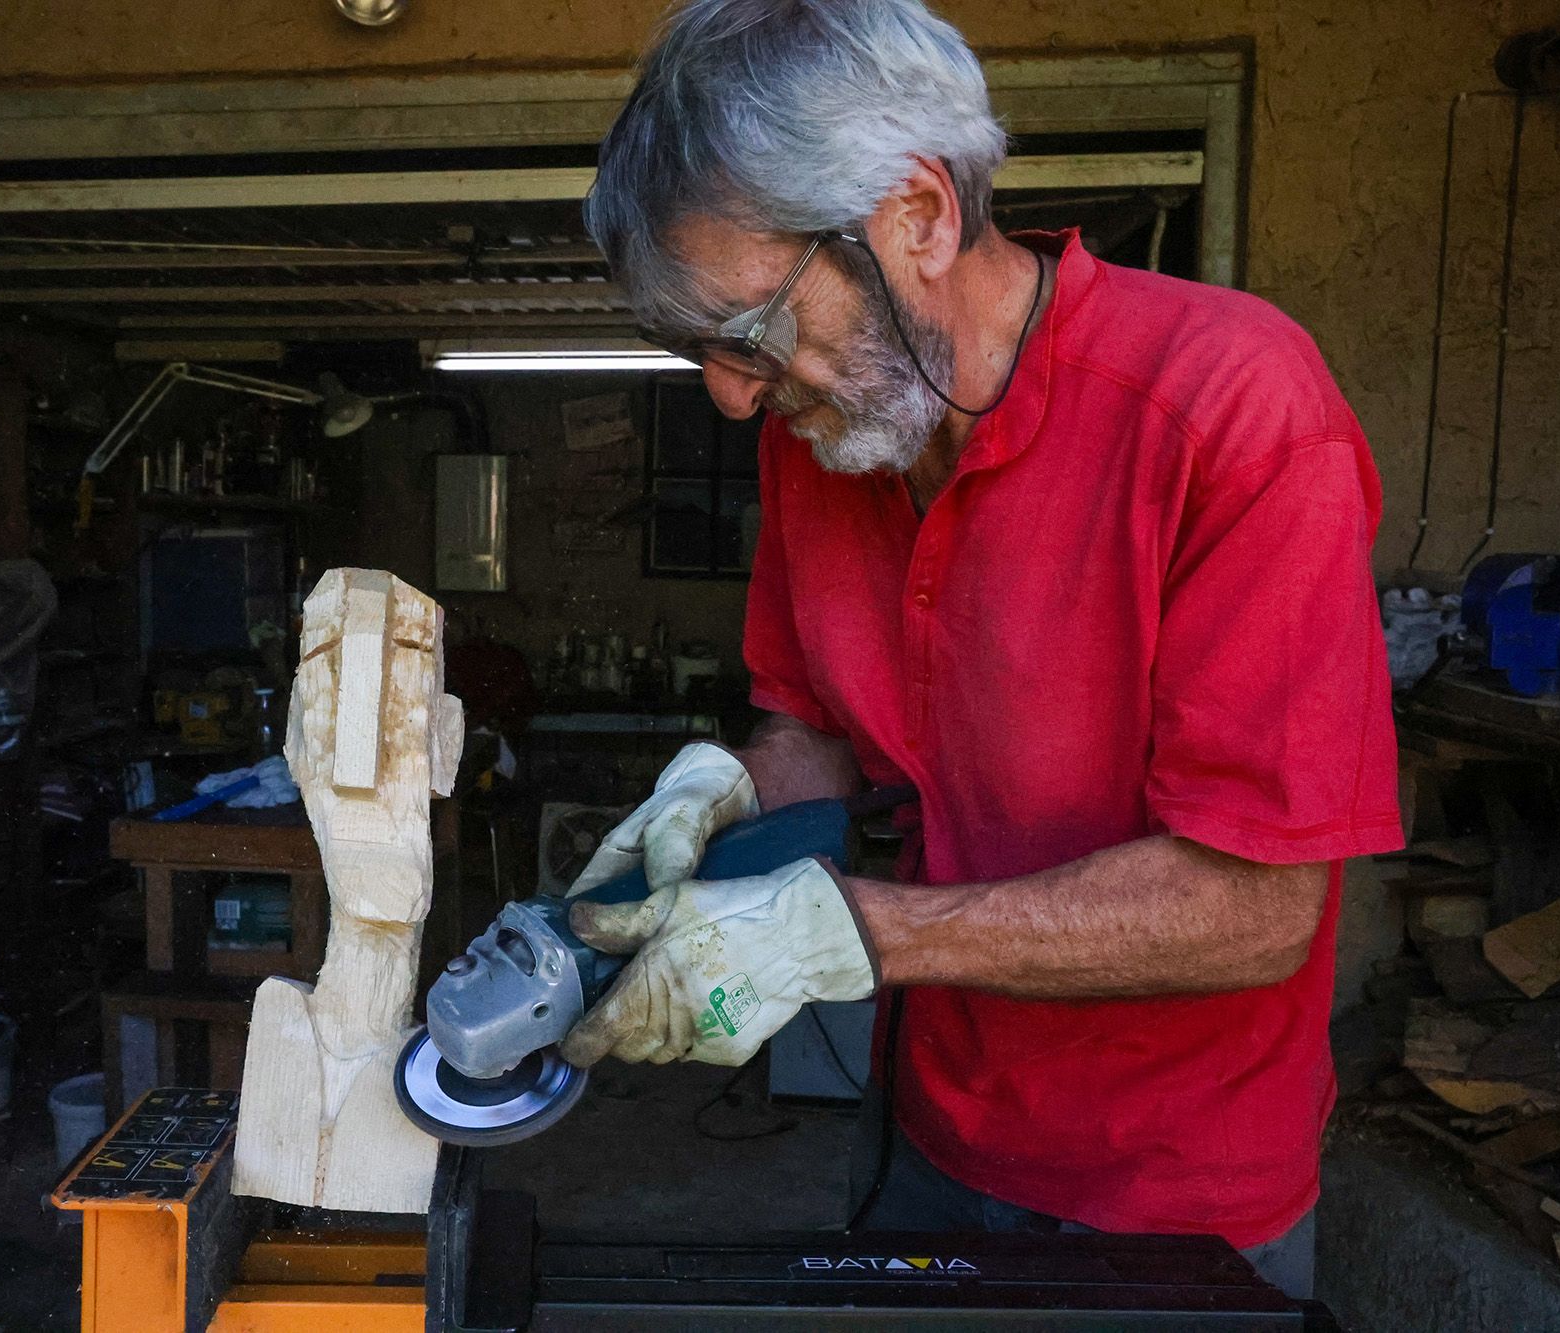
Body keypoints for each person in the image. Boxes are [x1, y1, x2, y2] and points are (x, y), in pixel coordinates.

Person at [558, 0, 1402, 1302]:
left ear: (919, 217)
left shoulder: (1234, 411)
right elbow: (812, 729)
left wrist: (847, 930)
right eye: (695, 352)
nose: (731, 394)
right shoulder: (826, 439)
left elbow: (1256, 908)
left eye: (750, 328)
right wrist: (719, 795)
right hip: (929, 1135)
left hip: (1171, 1196)